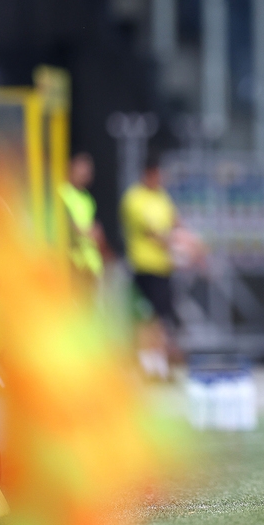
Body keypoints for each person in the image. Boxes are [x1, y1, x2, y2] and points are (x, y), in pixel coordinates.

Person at [120, 150, 181, 380]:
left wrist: (186, 240)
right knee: (146, 318)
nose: (160, 179)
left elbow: (175, 222)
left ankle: (160, 365)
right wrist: (175, 243)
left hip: (163, 268)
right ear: (147, 174)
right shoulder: (134, 199)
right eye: (156, 175)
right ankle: (147, 365)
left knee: (162, 318)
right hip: (144, 267)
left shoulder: (163, 198)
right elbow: (150, 232)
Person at [58, 152, 108, 292]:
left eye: (88, 170)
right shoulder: (62, 192)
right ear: (70, 167)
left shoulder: (87, 198)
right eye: (82, 169)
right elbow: (67, 223)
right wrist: (86, 231)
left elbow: (94, 229)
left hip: (90, 264)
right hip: (72, 262)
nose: (86, 173)